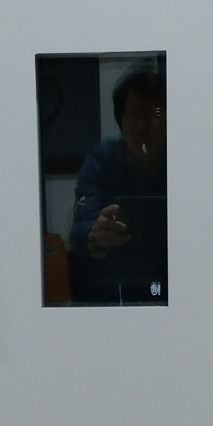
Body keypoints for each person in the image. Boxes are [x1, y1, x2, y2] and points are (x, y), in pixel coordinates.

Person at [69, 64, 167, 304]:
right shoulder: (103, 158)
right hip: (115, 280)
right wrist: (95, 234)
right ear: (120, 122)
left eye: (153, 115)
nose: (142, 127)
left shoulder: (185, 162)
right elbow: (80, 228)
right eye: (134, 115)